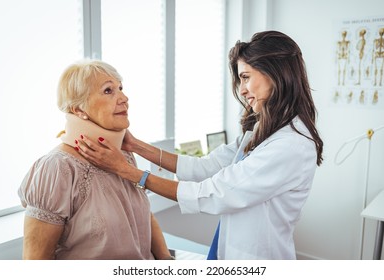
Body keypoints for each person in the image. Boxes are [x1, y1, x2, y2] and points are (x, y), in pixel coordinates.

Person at [75, 31, 324, 260]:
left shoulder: (290, 145)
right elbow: (207, 167)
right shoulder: (263, 130)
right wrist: (136, 146)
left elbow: (213, 192)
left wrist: (129, 171)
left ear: (276, 72)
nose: (243, 90)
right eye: (240, 80)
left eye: (246, 77)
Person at [18, 60, 172, 260]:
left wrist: (166, 260)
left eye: (121, 88)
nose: (124, 98)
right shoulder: (57, 168)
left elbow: (142, 214)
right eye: (108, 91)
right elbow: (35, 262)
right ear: (78, 110)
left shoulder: (122, 155)